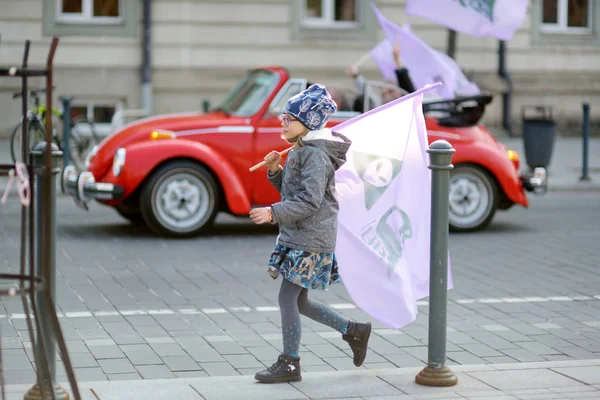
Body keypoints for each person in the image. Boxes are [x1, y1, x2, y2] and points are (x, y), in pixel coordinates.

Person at [249, 84, 372, 384]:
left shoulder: (315, 156)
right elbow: (294, 192)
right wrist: (277, 172)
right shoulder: (301, 150)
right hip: (301, 236)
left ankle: (290, 364)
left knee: (287, 299)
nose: (283, 123)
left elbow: (309, 201)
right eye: (284, 118)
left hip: (311, 239)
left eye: (289, 119)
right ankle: (353, 330)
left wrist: (272, 212)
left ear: (309, 123)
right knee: (299, 301)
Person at [347, 42, 416, 112]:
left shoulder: (406, 106)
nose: (387, 96)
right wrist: (356, 76)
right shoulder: (379, 108)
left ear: (398, 91)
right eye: (383, 94)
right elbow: (366, 89)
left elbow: (408, 89)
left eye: (390, 91)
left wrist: (397, 60)